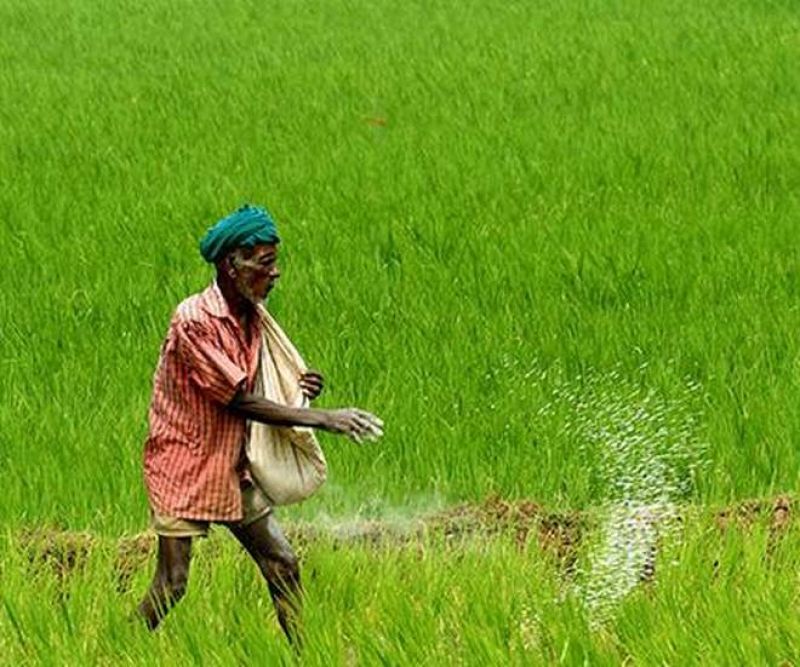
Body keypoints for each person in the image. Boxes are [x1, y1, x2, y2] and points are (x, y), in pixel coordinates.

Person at [135, 204, 383, 644]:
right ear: (233, 265)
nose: (276, 273)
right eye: (266, 263)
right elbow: (237, 399)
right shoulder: (195, 320)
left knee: (282, 563)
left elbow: (262, 380)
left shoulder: (253, 316)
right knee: (172, 584)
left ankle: (303, 654)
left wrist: (300, 387)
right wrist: (324, 418)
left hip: (233, 464)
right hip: (185, 464)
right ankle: (116, 648)